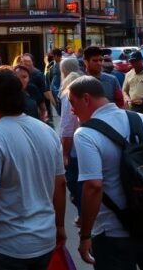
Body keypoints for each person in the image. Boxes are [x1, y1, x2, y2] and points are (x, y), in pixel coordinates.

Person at [69, 75, 143, 268]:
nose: (71, 110)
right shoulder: (141, 120)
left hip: (113, 233)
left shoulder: (85, 134)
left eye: (72, 102)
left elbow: (93, 186)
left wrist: (85, 235)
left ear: (86, 99)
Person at [0, 68, 66, 270]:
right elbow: (60, 184)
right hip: (44, 239)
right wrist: (59, 226)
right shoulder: (47, 131)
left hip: (7, 245)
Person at [56, 58, 86, 215]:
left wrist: (65, 153)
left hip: (75, 146)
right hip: (87, 142)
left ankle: (84, 217)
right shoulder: (84, 83)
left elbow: (67, 127)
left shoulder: (69, 91)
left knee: (76, 184)